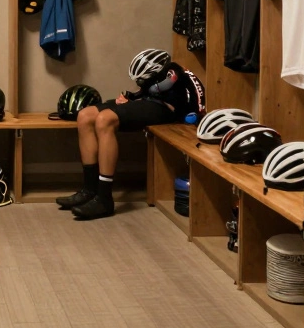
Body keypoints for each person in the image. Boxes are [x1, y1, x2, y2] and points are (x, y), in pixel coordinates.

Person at [58, 49, 205, 219]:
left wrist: (195, 117)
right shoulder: (155, 78)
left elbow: (197, 97)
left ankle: (104, 198)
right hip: (147, 103)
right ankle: (89, 189)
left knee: (105, 119)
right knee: (85, 116)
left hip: (166, 109)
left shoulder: (179, 73)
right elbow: (146, 91)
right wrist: (131, 99)